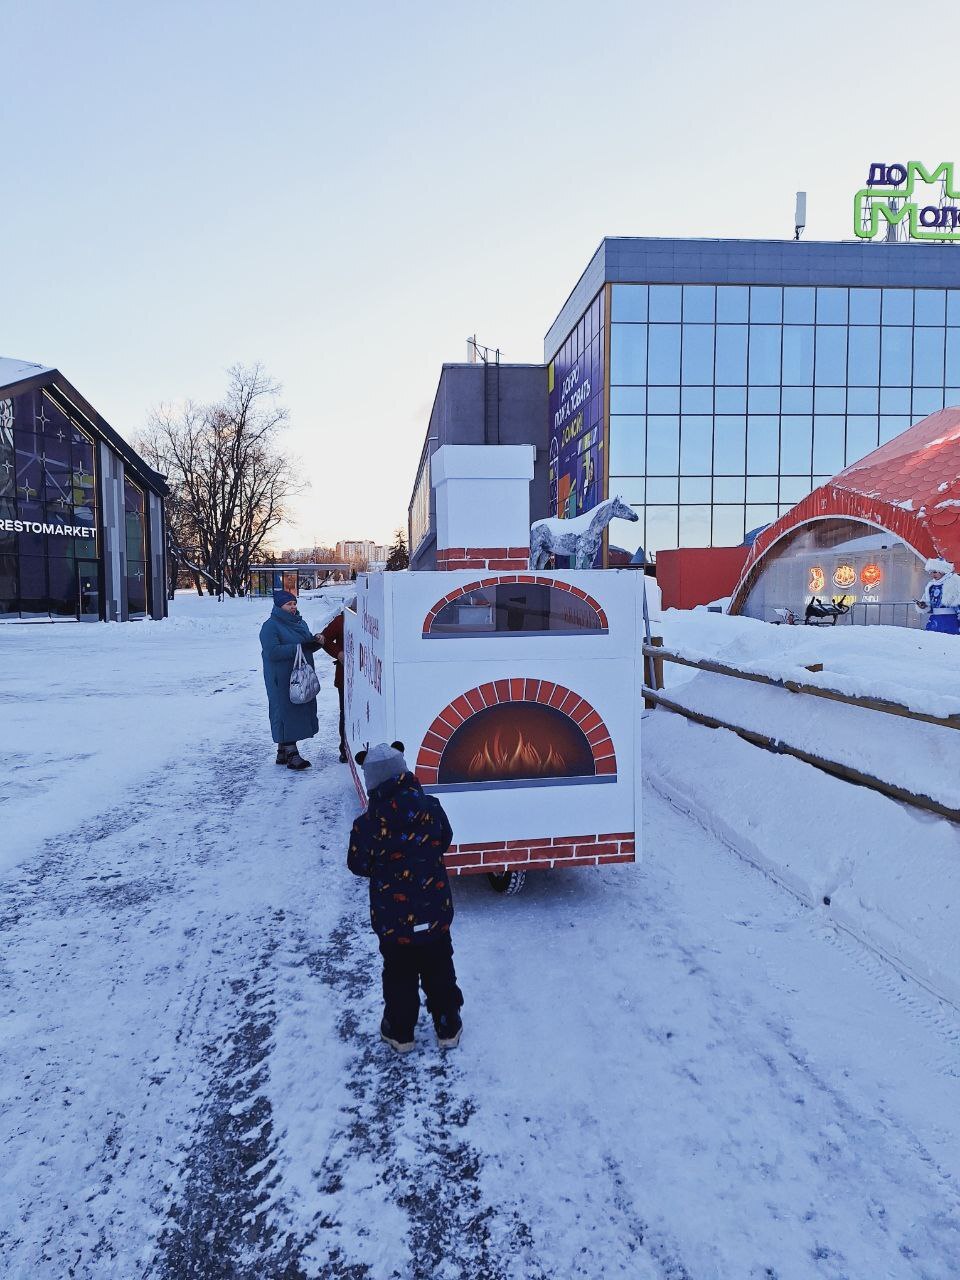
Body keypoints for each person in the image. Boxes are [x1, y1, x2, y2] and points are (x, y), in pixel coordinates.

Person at [347, 742, 464, 1054]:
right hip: (435, 913)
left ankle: (401, 1032)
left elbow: (357, 865)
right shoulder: (432, 808)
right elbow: (445, 839)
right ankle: (447, 1023)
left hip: (392, 920)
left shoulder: (366, 826)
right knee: (440, 967)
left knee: (398, 975)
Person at [259, 589, 325, 769]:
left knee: (297, 708)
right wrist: (300, 647)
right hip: (280, 677)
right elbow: (272, 652)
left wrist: (315, 641)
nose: (293, 607)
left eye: (294, 603)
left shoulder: (299, 622)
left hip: (298, 675)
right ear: (279, 606)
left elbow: (305, 645)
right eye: (289, 604)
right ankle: (291, 752)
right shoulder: (270, 626)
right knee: (285, 711)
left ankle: (282, 750)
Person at [318, 610, 348, 762]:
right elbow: (325, 639)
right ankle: (345, 749)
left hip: (373, 679)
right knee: (346, 713)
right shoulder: (342, 619)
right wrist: (338, 653)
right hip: (345, 678)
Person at [915, 558, 960, 634]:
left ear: (943, 571)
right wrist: (923, 606)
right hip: (935, 621)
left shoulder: (955, 582)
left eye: (935, 572)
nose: (932, 575)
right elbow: (929, 605)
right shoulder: (931, 585)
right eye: (931, 572)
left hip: (951, 621)